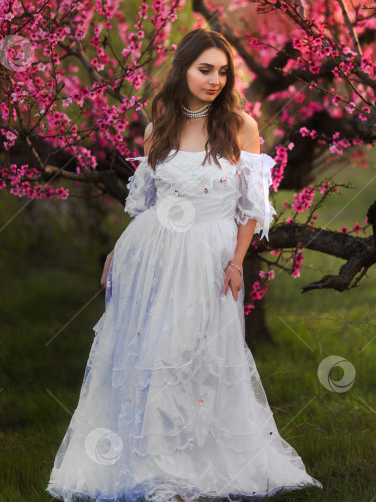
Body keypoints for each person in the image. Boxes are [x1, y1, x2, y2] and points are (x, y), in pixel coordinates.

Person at [46, 28, 323, 501]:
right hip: (150, 254)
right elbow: (146, 201)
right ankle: (156, 471)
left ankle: (193, 464)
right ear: (183, 69)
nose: (214, 79)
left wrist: (237, 262)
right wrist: (118, 250)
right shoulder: (160, 127)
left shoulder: (240, 126)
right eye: (204, 69)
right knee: (149, 355)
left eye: (222, 71)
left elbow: (251, 208)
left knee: (194, 356)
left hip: (208, 255)